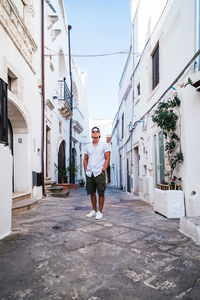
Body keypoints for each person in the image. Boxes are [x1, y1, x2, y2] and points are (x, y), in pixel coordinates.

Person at [83, 126, 111, 220]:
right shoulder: (88, 146)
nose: (95, 133)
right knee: (92, 192)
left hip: (100, 172)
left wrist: (103, 169)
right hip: (90, 173)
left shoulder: (104, 145)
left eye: (97, 131)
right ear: (91, 134)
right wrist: (86, 170)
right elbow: (85, 159)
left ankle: (100, 211)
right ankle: (94, 210)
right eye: (93, 131)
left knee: (101, 192)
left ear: (99, 134)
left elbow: (107, 158)